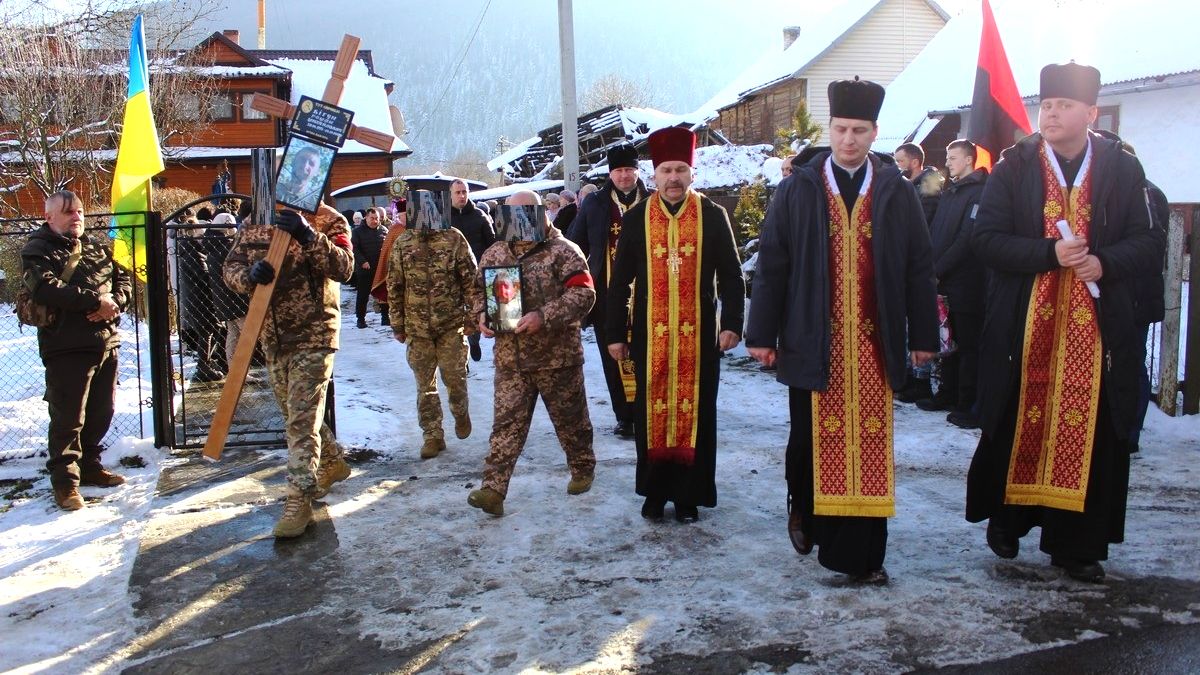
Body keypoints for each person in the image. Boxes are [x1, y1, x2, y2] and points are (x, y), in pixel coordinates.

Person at [965, 63, 1164, 583]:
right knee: (1014, 419)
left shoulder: (1122, 168)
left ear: (1091, 112)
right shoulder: (1015, 167)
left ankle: (1076, 545)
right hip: (1024, 327)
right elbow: (985, 240)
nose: (1051, 114)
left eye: (1064, 105)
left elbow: (1149, 240)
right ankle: (1008, 520)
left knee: (1093, 433)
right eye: (1047, 105)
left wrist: (1104, 263)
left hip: (1098, 332)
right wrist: (1049, 252)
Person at [746, 78, 938, 584]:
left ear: (874, 132)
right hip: (811, 338)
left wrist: (923, 337)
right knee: (810, 439)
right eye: (840, 129)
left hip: (874, 341)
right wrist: (761, 334)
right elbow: (773, 265)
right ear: (828, 129)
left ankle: (863, 558)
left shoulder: (896, 192)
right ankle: (805, 508)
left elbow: (919, 267)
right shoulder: (798, 188)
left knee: (869, 443)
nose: (848, 139)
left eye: (858, 130)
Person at [606, 127, 746, 524]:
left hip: (699, 339)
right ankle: (654, 494)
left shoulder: (712, 216)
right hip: (650, 338)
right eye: (666, 170)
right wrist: (615, 333)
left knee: (697, 414)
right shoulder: (637, 218)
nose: (673, 178)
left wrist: (732, 324)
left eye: (680, 170)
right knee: (650, 415)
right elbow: (620, 281)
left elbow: (732, 275)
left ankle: (689, 496)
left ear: (691, 173)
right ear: (654, 174)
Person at [223, 204, 355, 538]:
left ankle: (299, 498)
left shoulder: (328, 219)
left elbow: (344, 267)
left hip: (315, 333)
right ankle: (332, 461)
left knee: (300, 421)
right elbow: (231, 266)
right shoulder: (256, 219)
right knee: (295, 413)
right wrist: (248, 277)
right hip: (273, 335)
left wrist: (309, 236)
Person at [467, 191, 596, 517]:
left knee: (571, 422)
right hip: (511, 359)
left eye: (527, 212)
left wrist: (544, 316)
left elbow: (583, 294)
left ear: (540, 214)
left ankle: (582, 467)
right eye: (514, 214)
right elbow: (477, 291)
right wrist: (481, 315)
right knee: (506, 426)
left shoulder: (564, 251)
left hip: (557, 358)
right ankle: (493, 490)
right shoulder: (495, 253)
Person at [22, 190, 132, 510]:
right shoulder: (37, 249)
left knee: (102, 411)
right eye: (68, 212)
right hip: (66, 346)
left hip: (105, 341)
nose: (77, 217)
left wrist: (113, 303)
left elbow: (123, 281)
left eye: (80, 211)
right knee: (68, 418)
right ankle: (65, 482)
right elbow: (45, 287)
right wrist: (95, 301)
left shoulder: (96, 247)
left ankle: (90, 467)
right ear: (49, 217)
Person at [387, 190, 479, 459]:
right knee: (424, 386)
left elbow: (470, 281)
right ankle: (432, 434)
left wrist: (472, 318)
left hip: (450, 324)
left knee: (454, 377)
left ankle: (460, 412)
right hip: (417, 327)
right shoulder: (403, 243)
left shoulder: (453, 238)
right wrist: (397, 324)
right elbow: (394, 285)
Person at [567, 142, 647, 438]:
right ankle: (625, 416)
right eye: (619, 170)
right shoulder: (595, 203)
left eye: (629, 170)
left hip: (649, 293)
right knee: (614, 355)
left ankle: (646, 411)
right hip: (607, 295)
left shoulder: (652, 199)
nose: (624, 176)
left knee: (645, 354)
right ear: (610, 173)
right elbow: (577, 244)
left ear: (637, 171)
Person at [915, 139, 989, 427]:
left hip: (967, 283)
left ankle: (968, 402)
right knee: (948, 342)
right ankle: (947, 393)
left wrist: (939, 269)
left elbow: (967, 239)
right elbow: (936, 231)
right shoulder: (951, 190)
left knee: (969, 345)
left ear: (969, 159)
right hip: (944, 281)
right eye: (947, 157)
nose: (947, 163)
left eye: (953, 157)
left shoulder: (980, 192)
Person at [449, 178, 496, 362]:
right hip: (451, 274)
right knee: (454, 315)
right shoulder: (444, 218)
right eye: (458, 192)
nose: (462, 196)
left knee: (474, 309)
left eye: (464, 192)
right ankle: (461, 356)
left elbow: (492, 244)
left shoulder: (479, 216)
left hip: (476, 272)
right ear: (450, 194)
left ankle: (473, 339)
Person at [204, 211, 247, 371]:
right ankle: (240, 370)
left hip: (222, 298)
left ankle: (235, 370)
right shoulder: (227, 247)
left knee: (233, 334)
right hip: (235, 297)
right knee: (248, 334)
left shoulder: (212, 246)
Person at [352, 206, 389, 328]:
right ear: (366, 218)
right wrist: (362, 261)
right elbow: (355, 249)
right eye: (372, 218)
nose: (375, 221)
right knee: (363, 296)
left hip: (381, 269)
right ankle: (361, 319)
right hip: (365, 269)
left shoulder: (384, 230)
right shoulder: (357, 232)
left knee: (383, 294)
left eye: (377, 218)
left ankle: (385, 317)